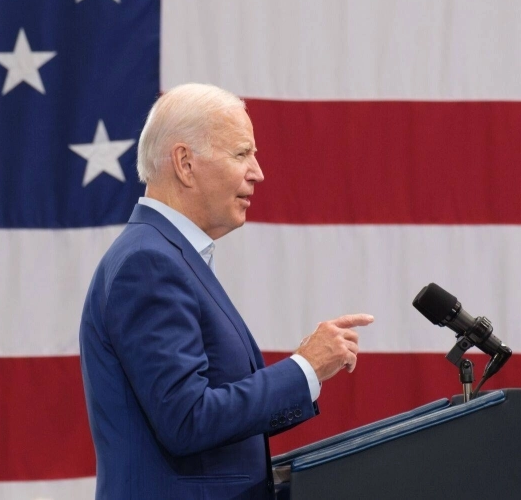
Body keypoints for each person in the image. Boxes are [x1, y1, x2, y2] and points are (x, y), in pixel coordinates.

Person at [79, 83, 374, 499]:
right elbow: (188, 419)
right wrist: (304, 368)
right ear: (185, 163)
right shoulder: (148, 263)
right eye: (241, 154)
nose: (258, 172)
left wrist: (303, 370)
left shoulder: (166, 254)